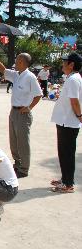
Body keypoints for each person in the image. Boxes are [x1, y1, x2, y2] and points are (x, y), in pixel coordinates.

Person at [0, 52, 42, 178]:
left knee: (23, 142)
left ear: (22, 62)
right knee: (13, 141)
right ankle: (17, 164)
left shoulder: (30, 77)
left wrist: (29, 107)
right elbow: (4, 70)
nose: (15, 62)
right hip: (13, 111)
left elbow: (38, 94)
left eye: (17, 60)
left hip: (23, 113)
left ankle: (24, 169)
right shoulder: (16, 75)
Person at [50, 52, 82, 193]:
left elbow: (74, 101)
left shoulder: (74, 79)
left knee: (67, 153)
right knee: (64, 153)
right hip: (65, 121)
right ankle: (65, 179)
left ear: (71, 64)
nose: (62, 64)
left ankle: (68, 183)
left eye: (65, 62)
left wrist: (80, 115)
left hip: (68, 122)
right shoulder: (72, 78)